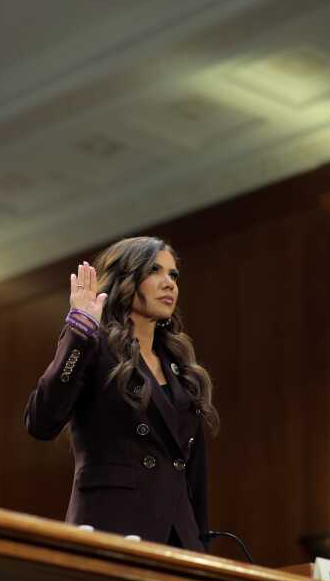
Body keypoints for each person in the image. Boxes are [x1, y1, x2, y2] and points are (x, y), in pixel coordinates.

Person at [23, 236, 220, 552]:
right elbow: (40, 421)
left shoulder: (181, 365)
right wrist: (79, 332)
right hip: (111, 527)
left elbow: (194, 474)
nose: (169, 283)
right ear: (127, 278)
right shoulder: (93, 344)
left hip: (179, 539)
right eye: (155, 271)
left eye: (173, 275)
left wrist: (202, 545)